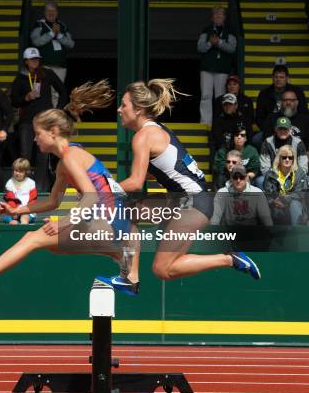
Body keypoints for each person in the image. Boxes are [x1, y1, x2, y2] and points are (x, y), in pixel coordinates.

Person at [0, 80, 135, 298]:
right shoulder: (64, 162)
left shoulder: (71, 157)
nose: (34, 139)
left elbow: (90, 197)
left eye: (37, 133)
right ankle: (121, 255)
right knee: (48, 243)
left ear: (53, 132)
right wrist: (17, 211)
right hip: (112, 222)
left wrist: (63, 222)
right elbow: (53, 202)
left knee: (32, 239)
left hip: (111, 221)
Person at [98, 79, 261, 292]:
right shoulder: (156, 129)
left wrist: (103, 188)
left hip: (193, 204)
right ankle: (130, 278)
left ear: (138, 110)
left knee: (163, 270)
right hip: (188, 199)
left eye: (124, 105)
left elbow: (136, 182)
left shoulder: (143, 137)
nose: (119, 109)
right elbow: (155, 173)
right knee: (127, 212)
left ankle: (231, 260)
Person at [11, 47, 67, 191]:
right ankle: (24, 189)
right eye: (32, 59)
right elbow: (14, 101)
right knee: (25, 155)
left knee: (43, 156)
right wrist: (26, 97)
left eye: (37, 59)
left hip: (45, 123)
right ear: (26, 61)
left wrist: (57, 110)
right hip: (27, 122)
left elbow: (63, 91)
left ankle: (40, 190)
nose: (35, 61)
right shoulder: (20, 78)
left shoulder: (47, 73)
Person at [197, 6, 237, 125]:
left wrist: (219, 43)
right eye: (216, 14)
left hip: (222, 69)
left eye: (220, 14)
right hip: (206, 68)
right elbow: (200, 47)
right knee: (205, 95)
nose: (218, 16)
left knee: (220, 96)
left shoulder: (230, 31)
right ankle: (206, 122)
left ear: (224, 17)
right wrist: (210, 43)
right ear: (212, 17)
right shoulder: (206, 30)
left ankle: (219, 120)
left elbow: (232, 48)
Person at [30, 0, 75, 105]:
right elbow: (36, 41)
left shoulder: (62, 25)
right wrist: (51, 34)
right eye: (48, 11)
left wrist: (59, 35)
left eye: (53, 10)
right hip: (43, 66)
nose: (51, 13)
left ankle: (52, 116)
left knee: (56, 92)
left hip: (60, 66)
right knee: (40, 90)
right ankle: (39, 114)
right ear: (44, 12)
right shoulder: (39, 25)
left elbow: (71, 44)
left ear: (57, 12)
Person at [263, 145, 308, 226]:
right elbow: (267, 194)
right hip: (275, 205)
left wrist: (285, 199)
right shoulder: (271, 174)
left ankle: (296, 234)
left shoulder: (299, 173)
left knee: (295, 205)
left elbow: (301, 193)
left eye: (290, 157)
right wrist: (273, 202)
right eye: (284, 157)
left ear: (293, 159)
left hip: (293, 204)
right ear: (279, 159)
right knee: (265, 208)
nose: (287, 160)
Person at [259, 117, 308, 182]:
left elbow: (303, 166)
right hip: (274, 177)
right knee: (260, 180)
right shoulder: (268, 142)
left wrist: (293, 178)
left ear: (290, 130)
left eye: (285, 129)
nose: (282, 131)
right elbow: (265, 167)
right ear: (275, 129)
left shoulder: (298, 143)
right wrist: (277, 178)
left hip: (294, 177)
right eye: (280, 129)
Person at [2, 158, 38, 225]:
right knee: (12, 221)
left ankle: (24, 229)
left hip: (27, 211)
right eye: (16, 170)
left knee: (24, 218)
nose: (17, 173)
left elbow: (32, 200)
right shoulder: (10, 183)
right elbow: (10, 200)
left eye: (20, 172)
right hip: (13, 211)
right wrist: (14, 210)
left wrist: (24, 211)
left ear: (26, 172)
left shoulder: (31, 183)